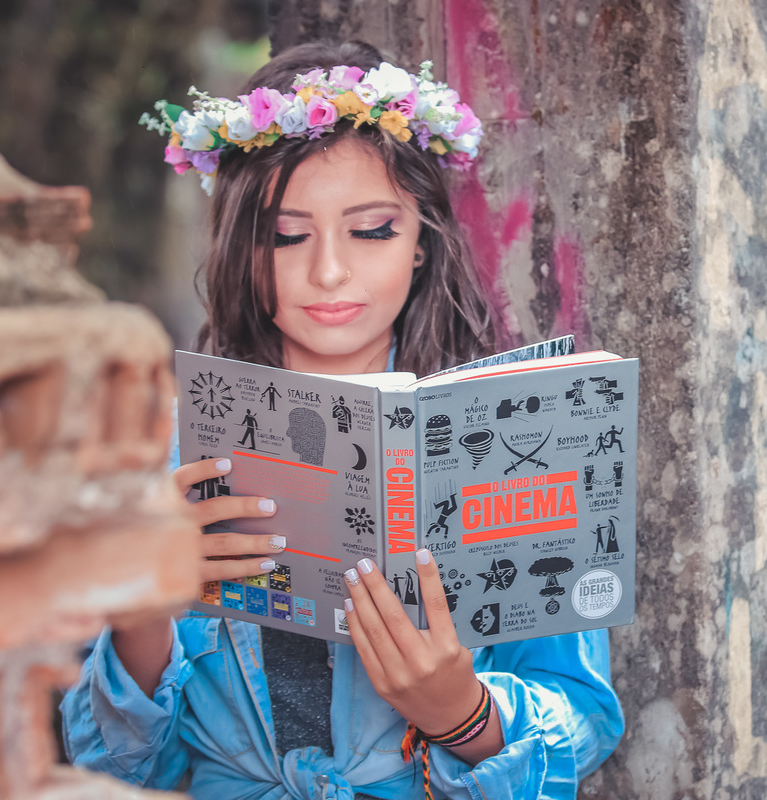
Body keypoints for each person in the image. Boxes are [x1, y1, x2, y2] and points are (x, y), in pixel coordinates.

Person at [62, 40, 624, 800]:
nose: (328, 271)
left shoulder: (511, 429)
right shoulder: (166, 451)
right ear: (243, 247)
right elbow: (114, 768)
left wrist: (463, 716)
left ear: (422, 241)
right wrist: (139, 613)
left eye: (371, 230)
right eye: (286, 235)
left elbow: (586, 715)